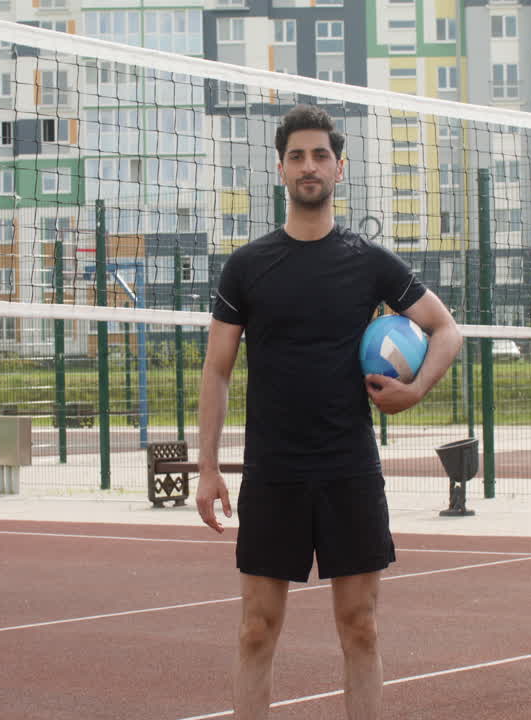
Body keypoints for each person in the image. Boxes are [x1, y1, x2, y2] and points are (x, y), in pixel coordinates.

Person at [195, 104, 461, 720]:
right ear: (280, 169)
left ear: (339, 169)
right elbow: (216, 369)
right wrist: (208, 469)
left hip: (348, 467)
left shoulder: (369, 261)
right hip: (273, 471)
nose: (308, 166)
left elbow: (446, 331)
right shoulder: (247, 266)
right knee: (256, 630)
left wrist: (415, 390)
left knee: (360, 627)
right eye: (296, 156)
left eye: (320, 155)